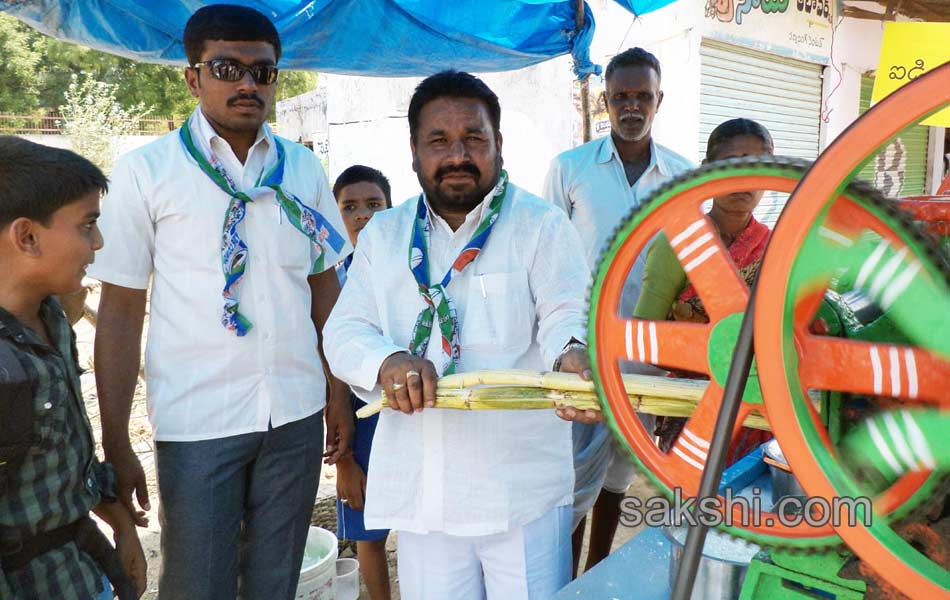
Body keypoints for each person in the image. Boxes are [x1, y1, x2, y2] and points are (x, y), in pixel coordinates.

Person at [87, 6, 353, 599]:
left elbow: (324, 288)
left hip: (295, 414)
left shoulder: (302, 168)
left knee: (273, 583)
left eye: (263, 72)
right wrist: (115, 440)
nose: (247, 84)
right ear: (192, 76)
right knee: (196, 585)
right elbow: (122, 310)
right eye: (227, 68)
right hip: (197, 420)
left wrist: (338, 394)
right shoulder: (147, 173)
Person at [324, 70, 597, 600]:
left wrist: (572, 357)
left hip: (521, 496)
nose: (458, 155)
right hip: (427, 498)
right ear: (413, 151)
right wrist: (387, 362)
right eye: (439, 141)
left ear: (498, 143)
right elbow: (345, 330)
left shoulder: (540, 226)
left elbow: (569, 315)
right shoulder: (384, 235)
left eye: (474, 138)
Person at [542, 47, 694, 574]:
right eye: (621, 96)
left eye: (642, 97)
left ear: (659, 101)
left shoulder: (682, 177)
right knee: (572, 482)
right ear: (605, 101)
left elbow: (688, 272)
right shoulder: (569, 170)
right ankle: (561, 579)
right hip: (581, 359)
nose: (632, 107)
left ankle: (596, 574)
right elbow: (546, 263)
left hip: (646, 361)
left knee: (619, 476)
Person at [0, 136, 146, 599]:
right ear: (27, 236)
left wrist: (118, 520)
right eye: (87, 226)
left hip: (78, 570)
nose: (97, 244)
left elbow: (60, 456)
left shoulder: (52, 320)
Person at [635, 118, 775, 461]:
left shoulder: (776, 246)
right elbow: (644, 337)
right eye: (731, 166)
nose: (745, 179)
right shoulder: (678, 244)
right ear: (706, 171)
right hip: (694, 410)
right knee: (694, 506)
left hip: (761, 412)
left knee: (750, 504)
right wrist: (712, 357)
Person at [332, 165, 393, 600]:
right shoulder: (331, 285)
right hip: (360, 432)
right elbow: (332, 379)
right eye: (349, 207)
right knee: (367, 529)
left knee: (418, 525)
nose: (363, 216)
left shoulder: (413, 278)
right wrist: (345, 461)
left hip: (411, 424)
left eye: (374, 205)